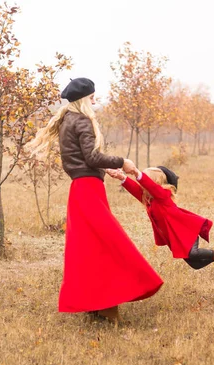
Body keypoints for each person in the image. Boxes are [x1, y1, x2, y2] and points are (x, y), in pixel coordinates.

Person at [27, 77, 163, 323]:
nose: (95, 100)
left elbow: (82, 158)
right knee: (109, 245)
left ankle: (97, 305)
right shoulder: (82, 120)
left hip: (80, 188)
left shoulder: (68, 120)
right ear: (84, 100)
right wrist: (123, 162)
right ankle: (108, 306)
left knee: (88, 248)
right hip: (88, 190)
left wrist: (104, 170)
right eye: (92, 96)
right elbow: (91, 156)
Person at [105, 165, 214, 271]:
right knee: (195, 265)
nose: (141, 183)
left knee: (193, 254)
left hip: (185, 231)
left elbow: (151, 187)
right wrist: (121, 177)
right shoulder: (148, 199)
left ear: (155, 183)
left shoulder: (163, 196)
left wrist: (135, 172)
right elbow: (135, 189)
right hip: (175, 237)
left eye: (146, 178)